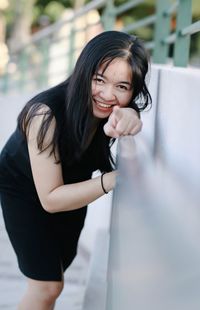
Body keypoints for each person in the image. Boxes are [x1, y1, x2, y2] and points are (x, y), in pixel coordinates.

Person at [0, 30, 151, 309]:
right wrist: (112, 180)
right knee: (47, 286)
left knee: (57, 273)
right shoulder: (43, 115)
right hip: (23, 189)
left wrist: (131, 114)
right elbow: (51, 199)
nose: (107, 95)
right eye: (99, 80)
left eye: (122, 86)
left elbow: (126, 115)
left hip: (71, 182)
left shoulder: (115, 112)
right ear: (84, 73)